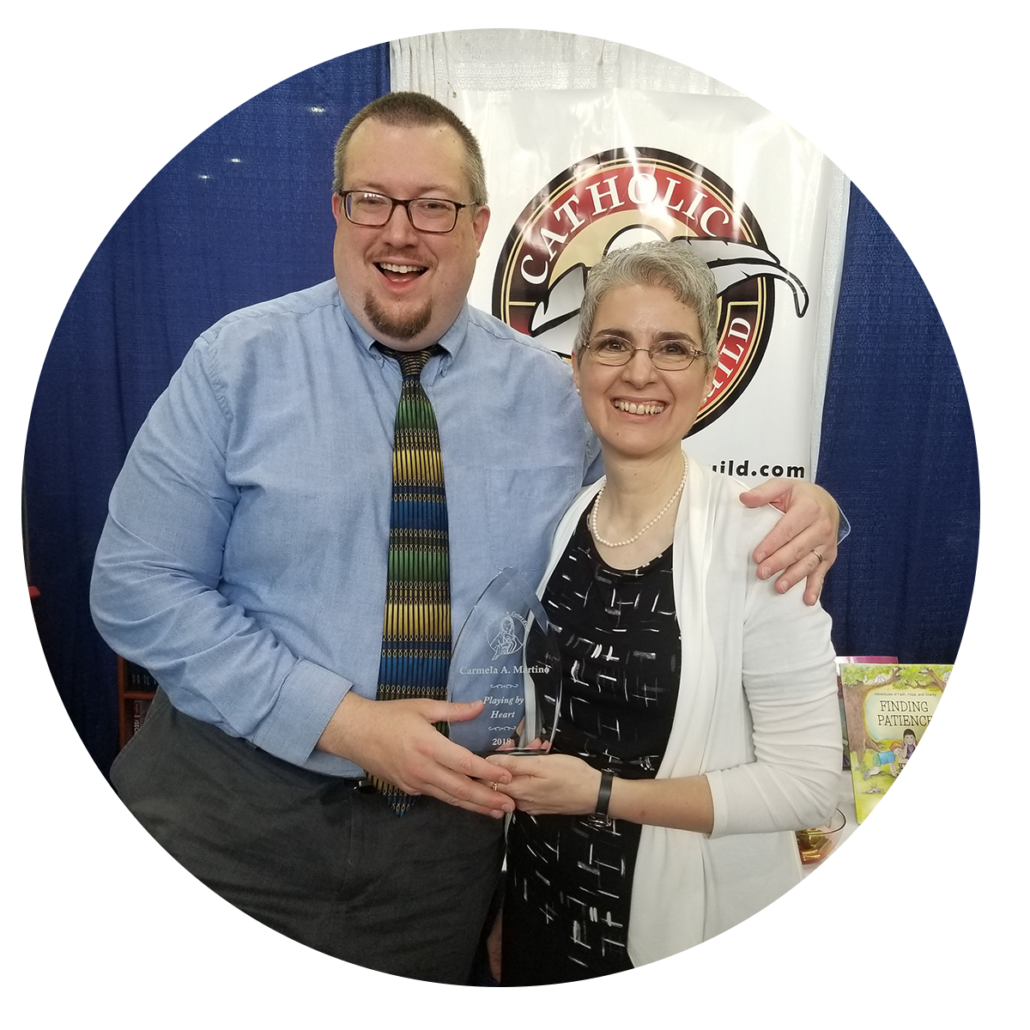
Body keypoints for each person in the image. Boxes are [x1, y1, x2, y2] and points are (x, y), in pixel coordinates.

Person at [91, 92, 841, 984]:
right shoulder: (235, 366)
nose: (399, 231)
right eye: (372, 199)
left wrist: (814, 511)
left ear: (481, 226)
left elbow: (658, 488)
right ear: (337, 211)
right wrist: (342, 722)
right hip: (227, 820)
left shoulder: (555, 398)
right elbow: (137, 586)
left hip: (441, 861)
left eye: (434, 206)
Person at [488, 241, 842, 985]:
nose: (639, 372)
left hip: (666, 946)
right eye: (614, 343)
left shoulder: (763, 542)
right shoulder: (571, 520)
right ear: (578, 365)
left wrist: (603, 795)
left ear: (710, 375)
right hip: (538, 916)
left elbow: (808, 784)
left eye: (672, 348)